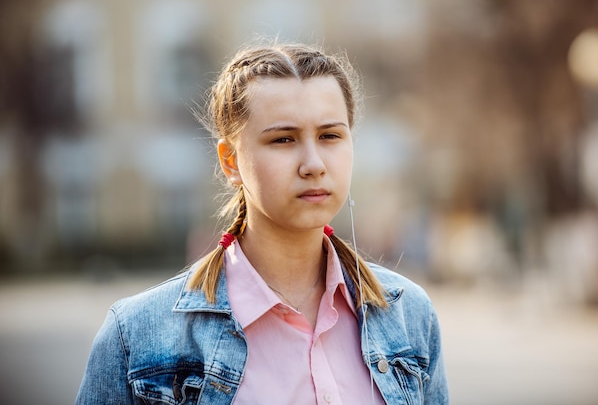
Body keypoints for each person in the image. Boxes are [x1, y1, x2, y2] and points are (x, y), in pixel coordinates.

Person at [76, 41, 449, 405]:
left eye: (330, 136)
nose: (314, 163)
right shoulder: (136, 337)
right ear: (230, 161)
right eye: (283, 139)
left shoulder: (409, 315)